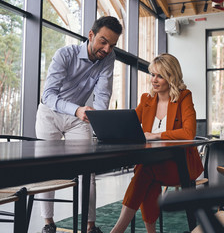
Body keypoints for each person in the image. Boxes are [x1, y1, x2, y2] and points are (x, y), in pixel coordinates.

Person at [35, 16, 122, 233]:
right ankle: (48, 224)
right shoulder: (65, 55)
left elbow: (103, 95)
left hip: (78, 118)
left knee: (88, 169)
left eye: (112, 45)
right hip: (50, 114)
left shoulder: (108, 58)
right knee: (47, 169)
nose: (106, 48)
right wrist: (76, 109)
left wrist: (102, 126)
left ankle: (89, 226)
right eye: (103, 41)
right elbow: (48, 95)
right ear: (91, 35)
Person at [110, 53, 204, 233]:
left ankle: (118, 230)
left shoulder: (184, 97)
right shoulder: (146, 100)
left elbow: (188, 132)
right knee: (147, 174)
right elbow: (128, 124)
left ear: (171, 76)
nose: (154, 80)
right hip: (153, 163)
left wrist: (156, 135)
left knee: (145, 170)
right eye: (152, 74)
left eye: (160, 76)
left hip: (180, 165)